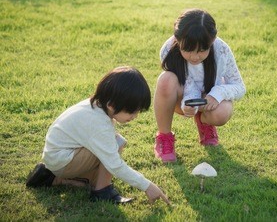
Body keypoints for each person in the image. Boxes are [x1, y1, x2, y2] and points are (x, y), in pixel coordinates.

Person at [26, 66, 170, 205]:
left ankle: (53, 178)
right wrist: (148, 186)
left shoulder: (95, 106)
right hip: (62, 160)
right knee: (116, 144)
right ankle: (102, 192)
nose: (135, 116)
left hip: (58, 157)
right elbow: (115, 165)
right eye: (132, 111)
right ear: (112, 105)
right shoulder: (99, 124)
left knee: (108, 154)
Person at [153, 9, 246, 162]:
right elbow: (187, 84)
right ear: (178, 39)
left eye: (202, 51)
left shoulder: (222, 50)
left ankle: (204, 122)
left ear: (212, 40)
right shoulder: (168, 50)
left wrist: (217, 95)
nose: (194, 57)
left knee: (222, 113)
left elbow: (239, 86)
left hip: (209, 100)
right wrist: (187, 104)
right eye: (188, 50)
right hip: (182, 98)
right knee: (166, 80)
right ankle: (164, 138)